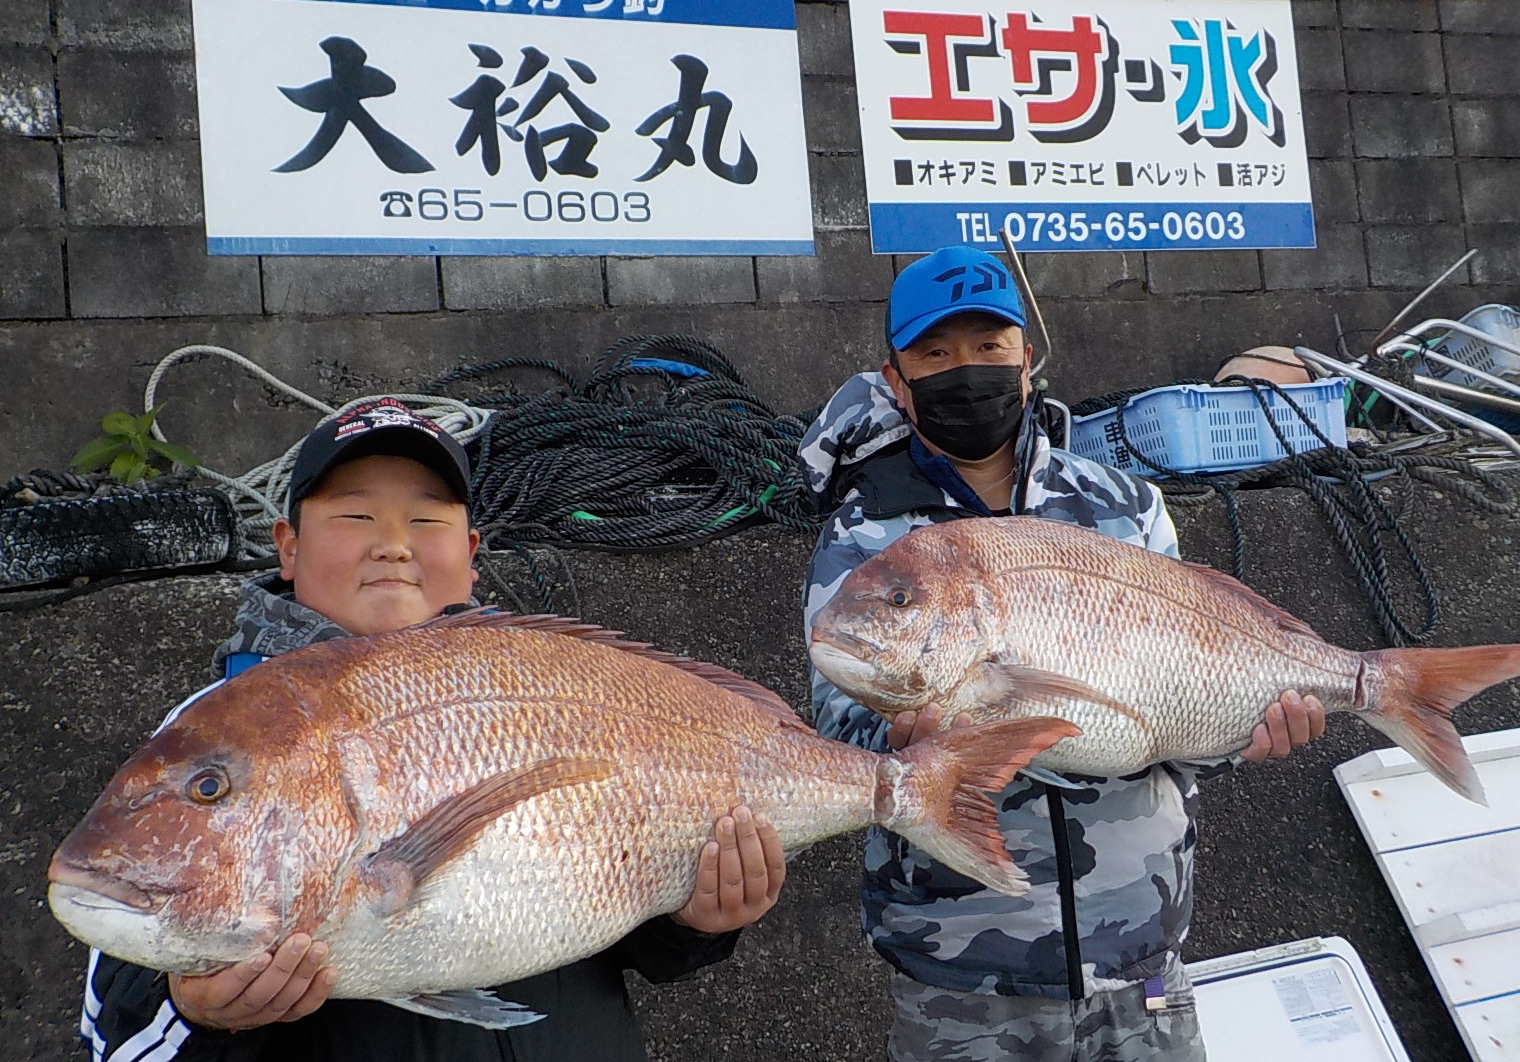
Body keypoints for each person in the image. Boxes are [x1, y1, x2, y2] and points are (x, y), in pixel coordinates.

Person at [80, 398, 785, 1062]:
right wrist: (195, 1013)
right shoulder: (222, 723)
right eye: (354, 515)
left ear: (472, 553)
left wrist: (692, 923)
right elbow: (114, 1035)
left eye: (425, 521)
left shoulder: (550, 679)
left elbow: (613, 917)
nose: (392, 545)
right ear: (287, 547)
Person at [799, 245, 1325, 1062]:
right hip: (962, 963)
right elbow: (838, 728)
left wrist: (1249, 732)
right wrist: (904, 741)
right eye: (934, 353)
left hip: (1142, 943)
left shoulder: (1124, 505)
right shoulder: (864, 534)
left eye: (987, 347)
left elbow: (1186, 699)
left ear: (1026, 359)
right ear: (896, 380)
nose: (963, 370)